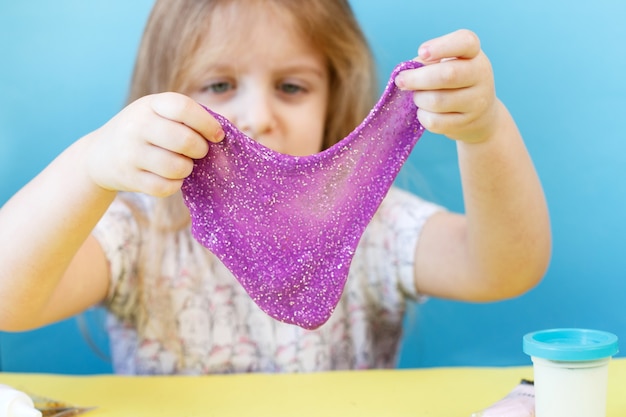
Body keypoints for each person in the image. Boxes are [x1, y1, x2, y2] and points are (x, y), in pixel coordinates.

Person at [0, 0, 551, 374]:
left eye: (291, 87)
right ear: (162, 98)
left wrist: (485, 133)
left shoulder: (373, 227)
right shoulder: (139, 229)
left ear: (332, 101)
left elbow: (502, 268)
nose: (258, 116)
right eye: (219, 85)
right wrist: (90, 164)